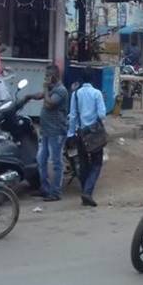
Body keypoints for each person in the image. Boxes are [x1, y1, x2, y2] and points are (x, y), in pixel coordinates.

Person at [67, 68, 107, 207]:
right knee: (96, 163)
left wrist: (70, 134)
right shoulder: (97, 94)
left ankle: (85, 190)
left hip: (80, 134)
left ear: (81, 80)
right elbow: (102, 114)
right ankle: (87, 192)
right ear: (93, 80)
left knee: (83, 164)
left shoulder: (76, 94)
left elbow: (72, 116)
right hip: (94, 134)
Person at [33, 64, 69, 202]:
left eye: (47, 75)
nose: (45, 78)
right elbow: (41, 96)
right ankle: (45, 188)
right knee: (41, 159)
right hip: (47, 130)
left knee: (56, 162)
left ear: (53, 76)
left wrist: (44, 88)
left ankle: (56, 192)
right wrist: (28, 97)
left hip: (57, 131)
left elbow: (49, 103)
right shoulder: (52, 89)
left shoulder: (60, 90)